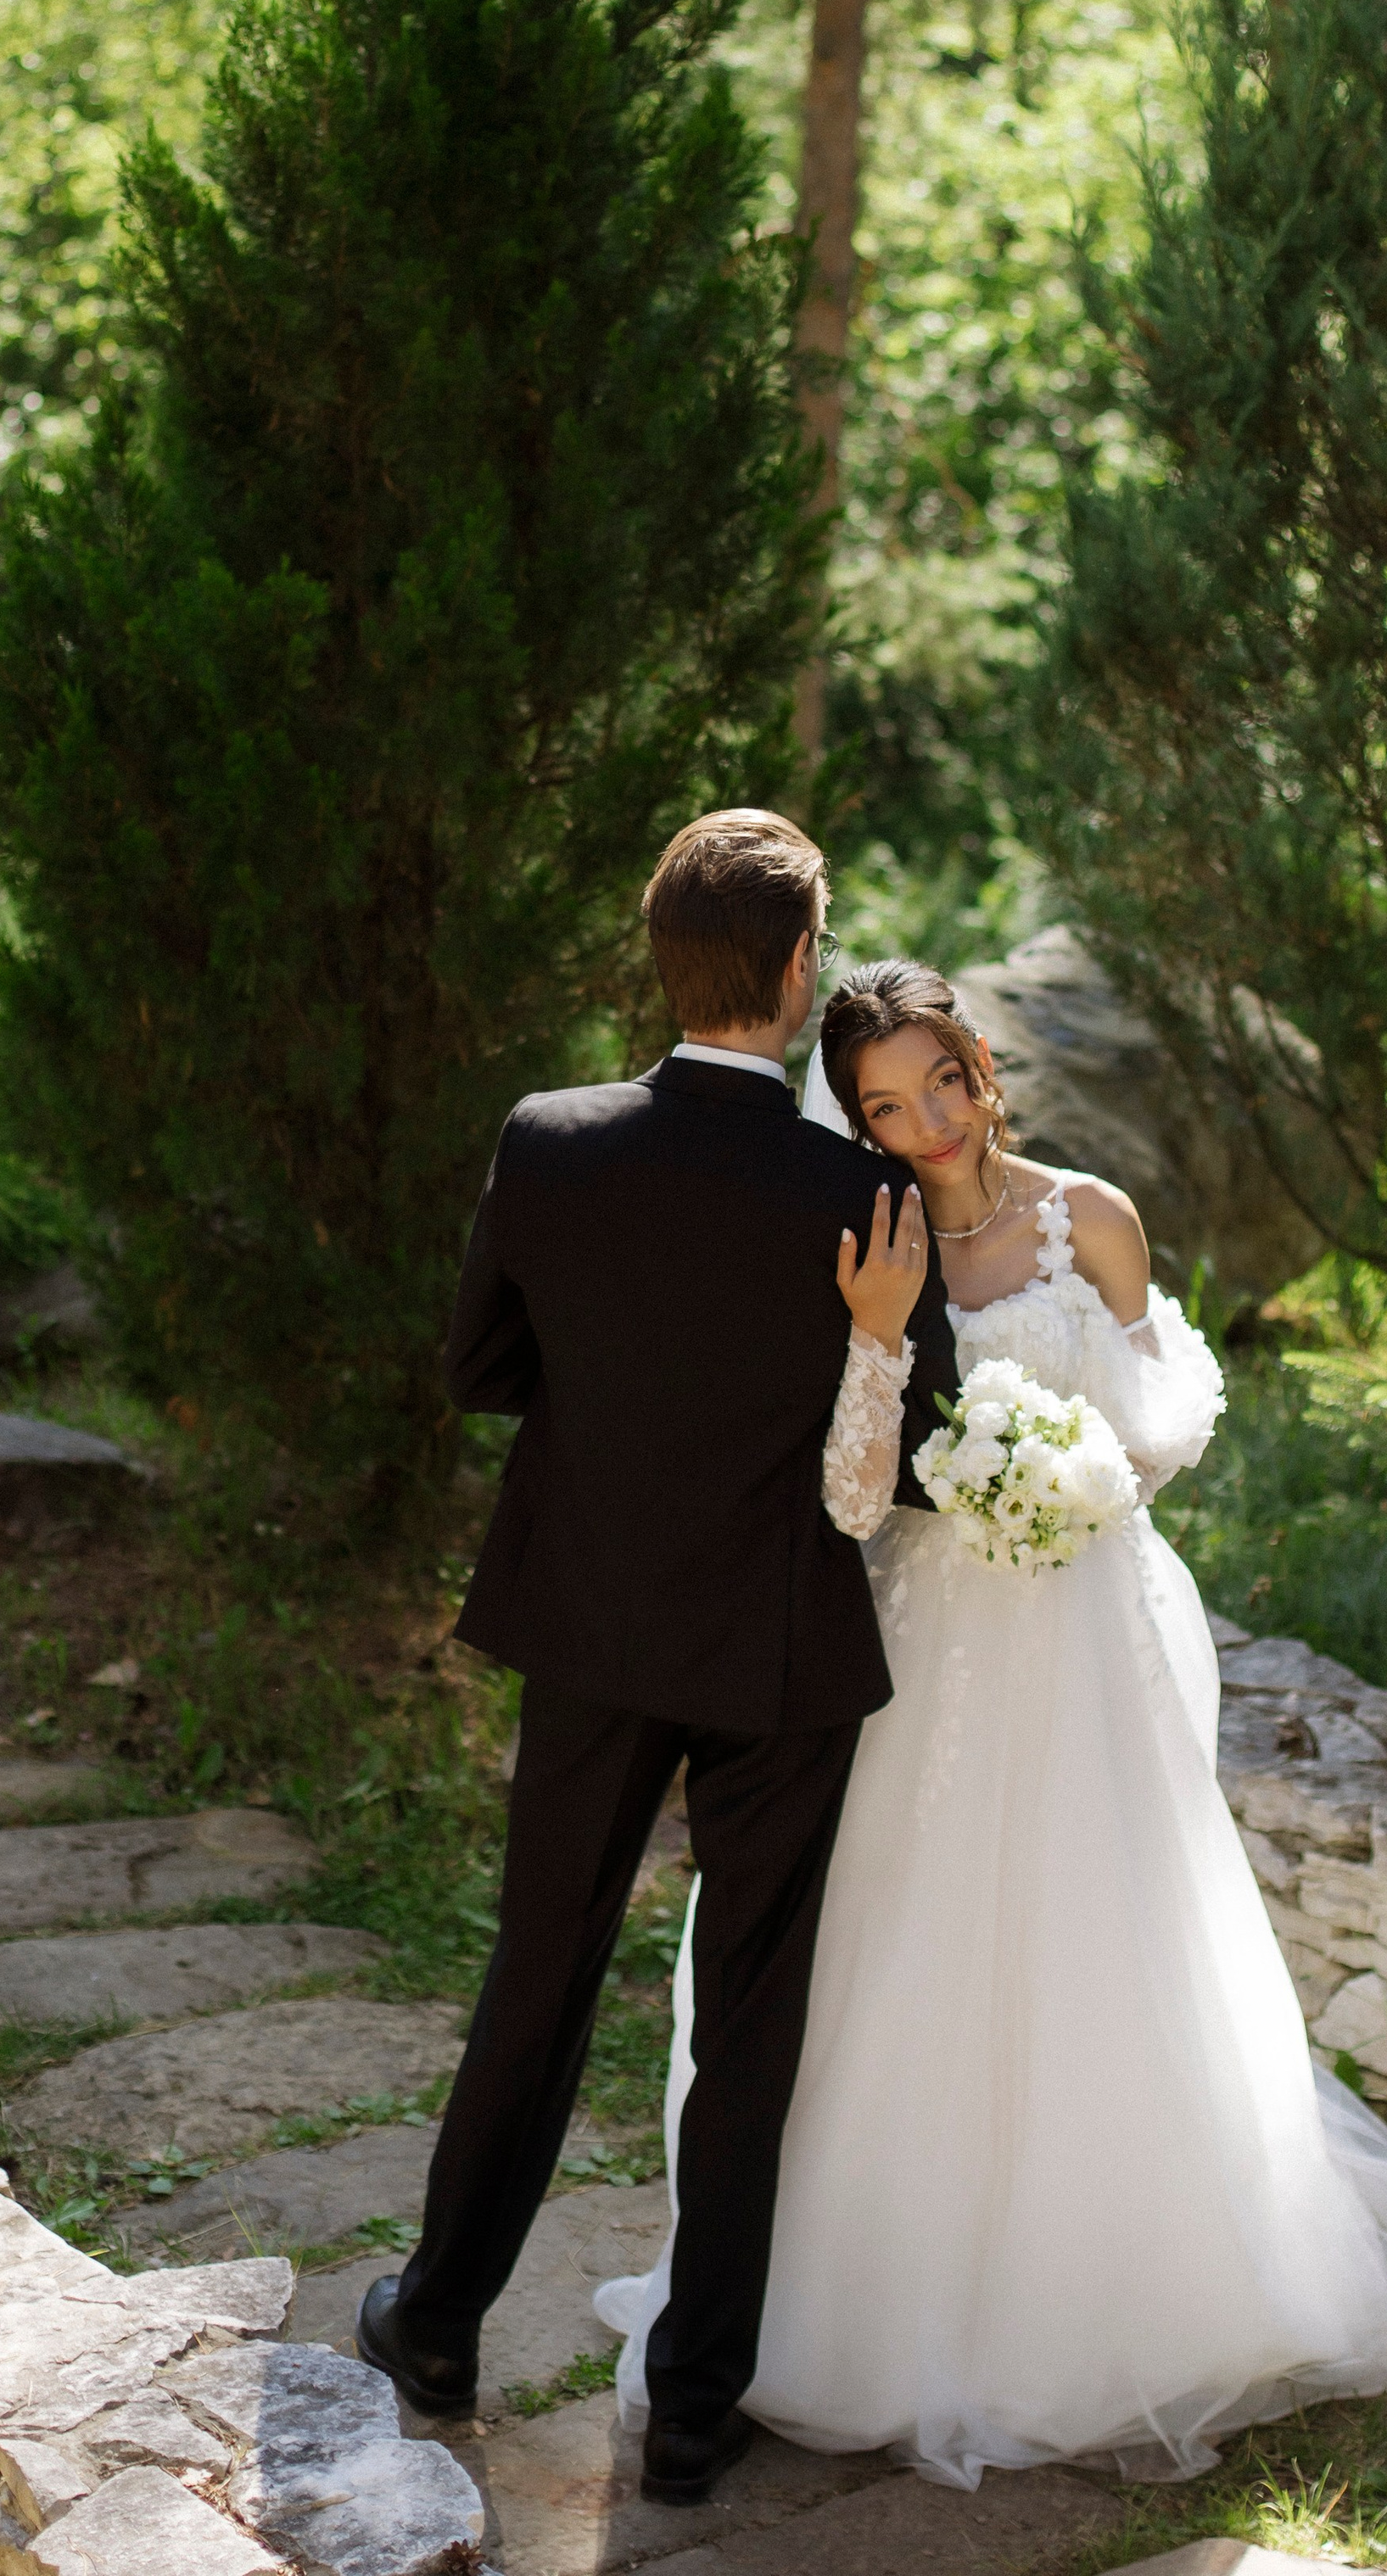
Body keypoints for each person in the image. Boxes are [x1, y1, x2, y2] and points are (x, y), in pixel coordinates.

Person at [599, 958, 1387, 2489]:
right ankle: (869, 2301)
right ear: (858, 1122)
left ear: (982, 1063)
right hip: (924, 1645)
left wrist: (1075, 1475)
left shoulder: (1092, 1218)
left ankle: (1120, 2293)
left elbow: (1166, 1416)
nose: (927, 1122)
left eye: (941, 1081)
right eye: (885, 1106)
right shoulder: (866, 1240)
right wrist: (881, 1342)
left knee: (1104, 1929)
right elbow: (852, 1494)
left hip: (1085, 1630)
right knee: (899, 1941)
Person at [357, 819, 959, 2509]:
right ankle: (695, 2410)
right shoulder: (863, 1193)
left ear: (664, 961)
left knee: (538, 1970)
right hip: (782, 1648)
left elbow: (482, 1368)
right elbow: (918, 1457)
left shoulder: (549, 1143)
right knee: (753, 2018)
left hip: (595, 1623)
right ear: (797, 971)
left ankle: (440, 2324)